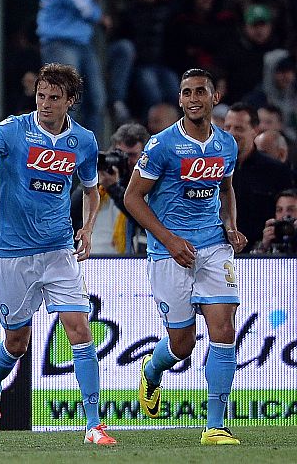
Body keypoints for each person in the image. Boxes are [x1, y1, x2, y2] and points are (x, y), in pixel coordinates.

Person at [0, 63, 115, 445]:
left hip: (58, 250)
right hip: (11, 253)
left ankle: (93, 425)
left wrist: (86, 227)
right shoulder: (12, 130)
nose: (46, 104)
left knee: (80, 331)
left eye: (54, 98)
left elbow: (90, 188)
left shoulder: (83, 140)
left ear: (70, 101)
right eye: (41, 96)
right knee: (17, 341)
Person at [124, 68, 247, 445]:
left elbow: (226, 188)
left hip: (211, 246)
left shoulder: (227, 144)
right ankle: (152, 369)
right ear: (180, 100)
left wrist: (230, 225)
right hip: (168, 251)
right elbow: (132, 197)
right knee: (183, 344)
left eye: (200, 92)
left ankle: (215, 425)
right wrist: (169, 239)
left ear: (215, 97)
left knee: (224, 330)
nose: (193, 98)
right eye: (186, 92)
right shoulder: (161, 145)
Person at [37, 0, 108, 138]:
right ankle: (67, 152)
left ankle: (93, 154)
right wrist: (101, 17)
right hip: (60, 43)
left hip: (81, 42)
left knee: (96, 99)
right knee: (67, 101)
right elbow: (82, 5)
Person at [222, 102, 293, 250]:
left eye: (238, 128)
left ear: (255, 130)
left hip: (261, 256)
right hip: (219, 255)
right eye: (227, 127)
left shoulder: (277, 171)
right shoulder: (212, 169)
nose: (231, 133)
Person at [74, 122, 150, 255]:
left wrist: (113, 188)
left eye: (132, 155)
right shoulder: (100, 178)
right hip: (88, 255)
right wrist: (91, 183)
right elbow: (72, 210)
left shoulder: (146, 186)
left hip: (124, 260)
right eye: (120, 153)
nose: (126, 161)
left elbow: (143, 220)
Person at [251, 188, 297, 253]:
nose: (285, 215)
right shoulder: (272, 239)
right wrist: (264, 246)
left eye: (291, 209)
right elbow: (251, 262)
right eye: (279, 210)